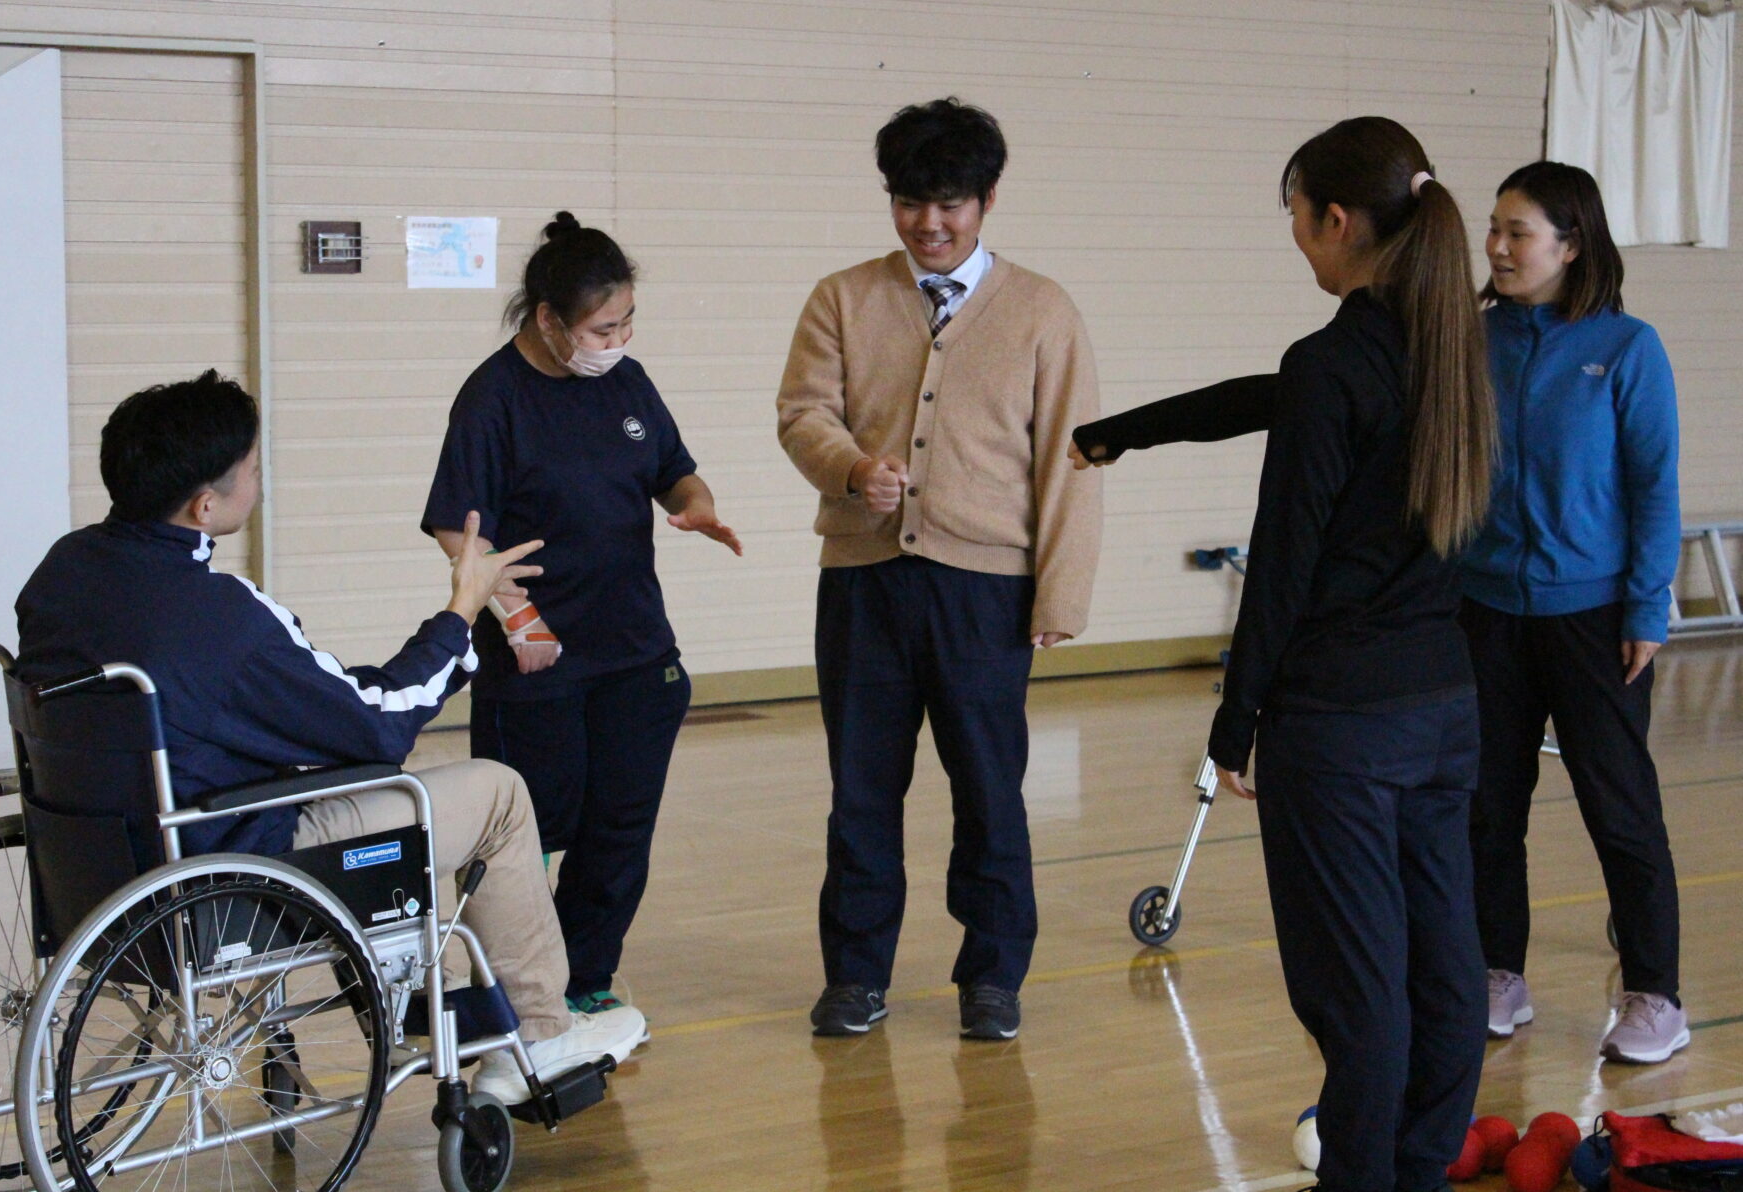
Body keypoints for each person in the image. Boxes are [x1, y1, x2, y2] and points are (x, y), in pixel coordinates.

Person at [14, 370, 647, 1106]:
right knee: (495, 793)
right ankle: (538, 1036)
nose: (261, 477)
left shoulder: (61, 572)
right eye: (253, 468)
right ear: (206, 503)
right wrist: (462, 611)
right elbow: (374, 728)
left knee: (375, 779)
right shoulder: (218, 615)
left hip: (93, 870)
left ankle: (466, 1003)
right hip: (224, 870)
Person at [1072, 117, 1496, 1192]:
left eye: (1299, 223)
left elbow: (1284, 568)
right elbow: (1283, 396)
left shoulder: (1339, 363)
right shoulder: (1451, 347)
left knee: (1360, 1001)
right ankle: (1414, 1170)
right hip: (1444, 709)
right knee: (1442, 977)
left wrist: (1232, 725)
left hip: (1341, 734)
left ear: (1339, 222)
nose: (1299, 244)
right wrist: (1135, 427)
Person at [776, 97, 1102, 1041]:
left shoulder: (1044, 311)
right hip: (864, 582)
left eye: (949, 202)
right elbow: (803, 413)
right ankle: (855, 975)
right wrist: (850, 467)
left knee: (991, 790)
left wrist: (1061, 591)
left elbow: (1072, 462)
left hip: (986, 592)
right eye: (910, 201)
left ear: (988, 199)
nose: (929, 222)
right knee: (863, 789)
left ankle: (992, 977)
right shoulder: (842, 297)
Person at [423, 212, 740, 1021]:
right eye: (603, 326)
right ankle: (513, 998)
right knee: (529, 838)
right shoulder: (493, 398)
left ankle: (585, 982)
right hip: (538, 666)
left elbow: (676, 472)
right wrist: (517, 616)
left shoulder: (625, 383)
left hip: (634, 650)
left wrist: (696, 508)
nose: (618, 338)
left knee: (618, 832)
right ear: (548, 320)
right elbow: (458, 530)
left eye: (628, 321)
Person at [1469, 161, 1686, 1063]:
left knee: (1619, 807)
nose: (1499, 246)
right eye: (1495, 228)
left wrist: (1645, 606)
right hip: (1484, 611)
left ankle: (1655, 996)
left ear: (1572, 244)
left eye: (1519, 232)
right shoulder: (1470, 341)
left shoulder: (1628, 348)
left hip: (1595, 620)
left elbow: (1653, 485)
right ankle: (1495, 973)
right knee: (1487, 806)